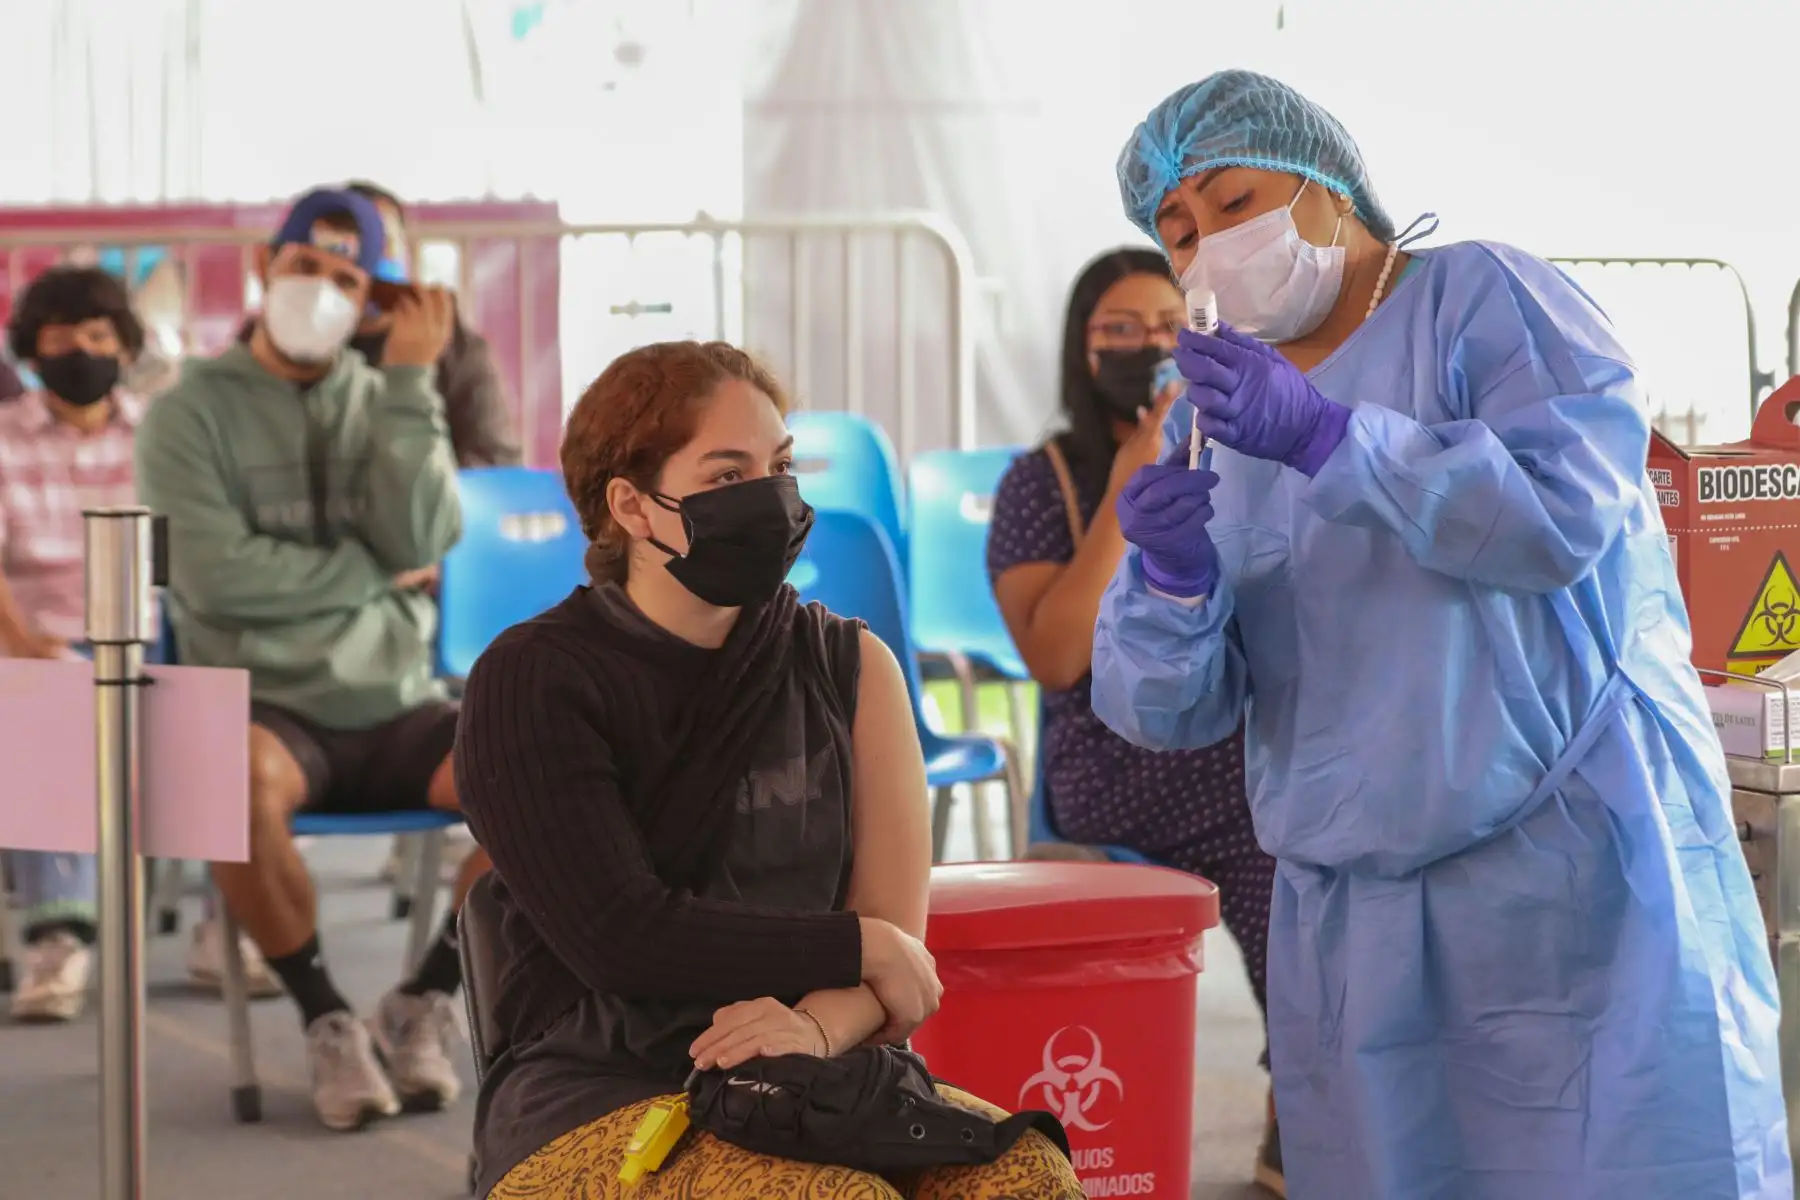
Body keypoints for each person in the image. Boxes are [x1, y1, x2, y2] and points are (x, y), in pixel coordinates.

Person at [1092, 69, 1791, 1199]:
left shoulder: (1483, 302)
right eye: (1178, 231)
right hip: (1354, 916)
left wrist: (1330, 439)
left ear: (1327, 183)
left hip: (1571, 875)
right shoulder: (1211, 423)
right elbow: (1167, 709)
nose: (1210, 245)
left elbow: (1563, 514)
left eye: (1234, 202)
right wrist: (1172, 587)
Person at [455, 340, 1083, 1199]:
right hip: (600, 1088)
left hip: (812, 1064)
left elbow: (899, 953)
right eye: (727, 475)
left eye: (780, 466)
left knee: (1031, 1179)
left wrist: (816, 1029)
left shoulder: (852, 668)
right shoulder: (532, 680)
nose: (772, 496)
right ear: (631, 506)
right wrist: (856, 947)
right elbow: (622, 938)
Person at [135, 186, 482, 1132]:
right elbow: (215, 576)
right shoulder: (186, 414)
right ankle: (326, 1015)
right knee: (228, 780)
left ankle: (424, 996)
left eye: (346, 279)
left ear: (372, 300)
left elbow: (426, 535)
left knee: (543, 777)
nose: (320, 290)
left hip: (397, 699)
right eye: (305, 267)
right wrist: (374, 575)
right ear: (265, 265)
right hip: (267, 707)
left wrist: (411, 382)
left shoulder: (386, 399)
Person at [986, 246, 1281, 1194]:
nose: (1148, 347)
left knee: (1304, 887)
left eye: (1168, 325)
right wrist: (1128, 486)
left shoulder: (1239, 457)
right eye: (1120, 328)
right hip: (1110, 781)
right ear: (1082, 348)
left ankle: (1299, 1101)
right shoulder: (1042, 484)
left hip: (1233, 771)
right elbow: (1055, 656)